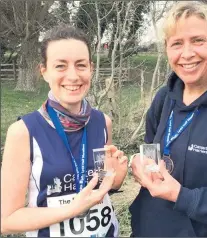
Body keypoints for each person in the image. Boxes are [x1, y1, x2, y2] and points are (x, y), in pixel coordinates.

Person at [129, 1, 207, 237]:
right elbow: (151, 149)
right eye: (177, 44)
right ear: (167, 49)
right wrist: (138, 163)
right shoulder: (164, 98)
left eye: (198, 40)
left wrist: (182, 196)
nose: (187, 53)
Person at [1, 25, 128, 237]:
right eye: (60, 66)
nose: (73, 76)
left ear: (91, 68)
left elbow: (99, 185)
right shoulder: (23, 132)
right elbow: (6, 220)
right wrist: (71, 210)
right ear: (44, 71)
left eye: (81, 65)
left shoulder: (102, 122)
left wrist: (115, 181)